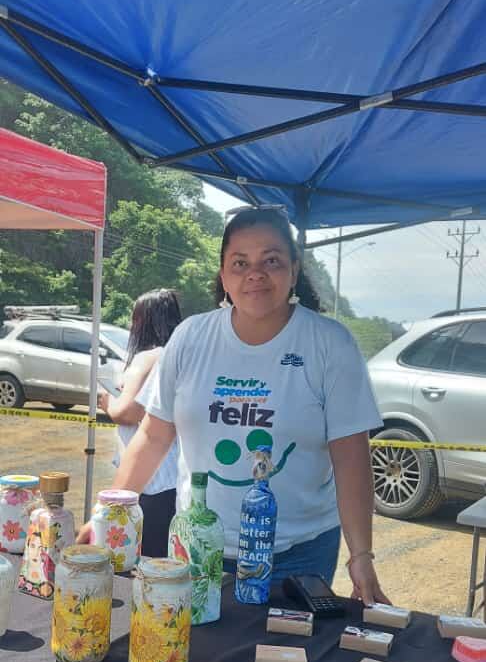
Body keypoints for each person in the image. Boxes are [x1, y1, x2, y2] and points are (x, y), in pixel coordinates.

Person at [81, 207, 388, 605]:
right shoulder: (191, 337)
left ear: (294, 271)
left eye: (271, 260)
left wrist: (361, 556)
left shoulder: (330, 344)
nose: (255, 273)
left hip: (299, 553)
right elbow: (154, 436)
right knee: (194, 654)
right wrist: (108, 514)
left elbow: (351, 459)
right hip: (197, 545)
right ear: (224, 276)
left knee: (285, 660)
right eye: (240, 263)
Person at [96, 288, 182, 557]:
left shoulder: (148, 357)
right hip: (173, 480)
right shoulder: (178, 355)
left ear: (144, 321)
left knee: (137, 562)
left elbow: (127, 411)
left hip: (147, 482)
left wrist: (107, 400)